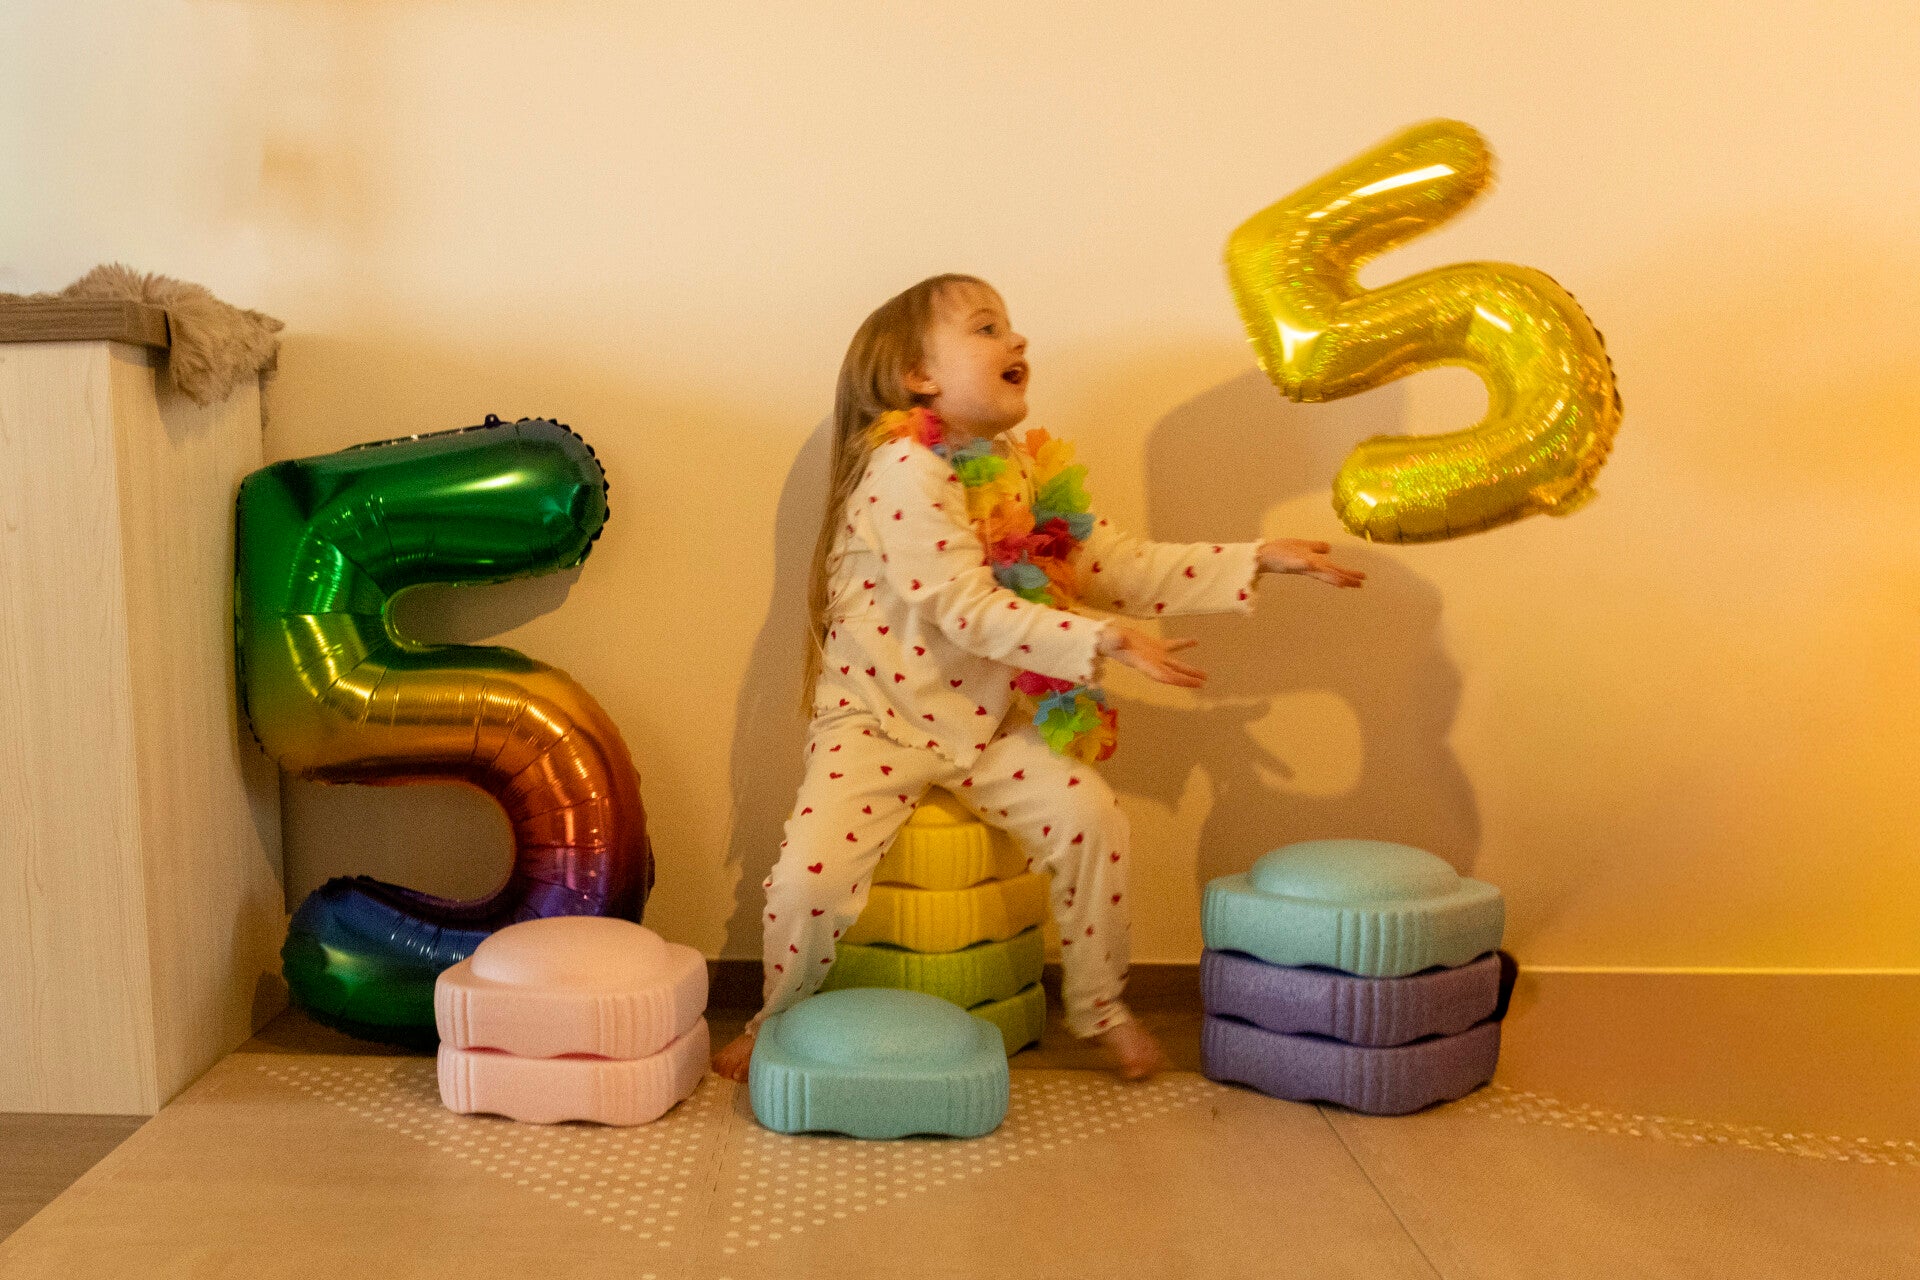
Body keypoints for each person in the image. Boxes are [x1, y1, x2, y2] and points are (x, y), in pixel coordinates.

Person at [713, 274, 1364, 1082]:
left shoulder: (1018, 470)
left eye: (1011, 327)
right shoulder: (902, 468)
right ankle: (775, 1018)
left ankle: (1102, 1008)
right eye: (987, 329)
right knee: (809, 877)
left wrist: (1256, 559)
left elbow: (1110, 565)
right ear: (919, 376)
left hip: (984, 724)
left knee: (1092, 818)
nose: (1017, 340)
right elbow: (963, 608)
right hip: (877, 722)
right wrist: (1106, 641)